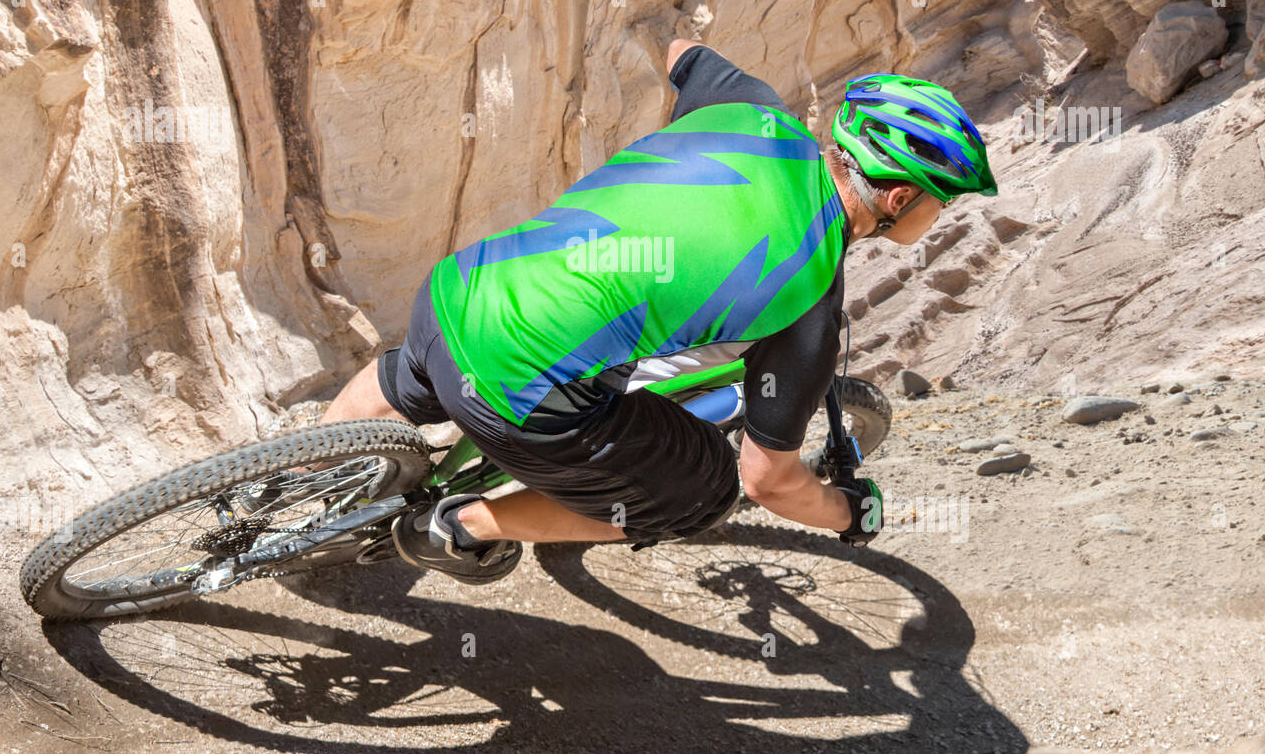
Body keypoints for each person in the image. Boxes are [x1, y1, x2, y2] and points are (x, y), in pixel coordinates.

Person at [321, 39, 997, 583]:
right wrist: (847, 514)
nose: (942, 216)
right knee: (702, 494)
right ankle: (460, 526)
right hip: (513, 396)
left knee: (410, 374)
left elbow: (683, 51)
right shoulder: (808, 304)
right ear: (902, 199)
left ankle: (286, 486)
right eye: (945, 201)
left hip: (456, 292)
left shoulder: (750, 107)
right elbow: (770, 483)